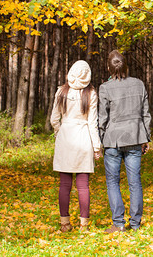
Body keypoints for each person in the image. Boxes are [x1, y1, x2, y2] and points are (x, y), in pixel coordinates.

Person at [98, 50, 151, 233]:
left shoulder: (105, 88)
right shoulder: (139, 84)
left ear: (108, 67)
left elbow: (102, 118)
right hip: (135, 137)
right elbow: (145, 114)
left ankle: (118, 224)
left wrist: (101, 138)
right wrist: (146, 137)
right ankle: (135, 224)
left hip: (113, 140)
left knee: (113, 182)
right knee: (134, 181)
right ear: (126, 66)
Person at [50, 60, 102, 232]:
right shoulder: (91, 94)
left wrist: (60, 132)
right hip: (83, 139)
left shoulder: (61, 91)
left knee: (64, 184)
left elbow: (53, 119)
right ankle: (83, 225)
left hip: (65, 138)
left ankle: (64, 224)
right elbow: (92, 123)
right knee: (83, 185)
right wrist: (96, 147)